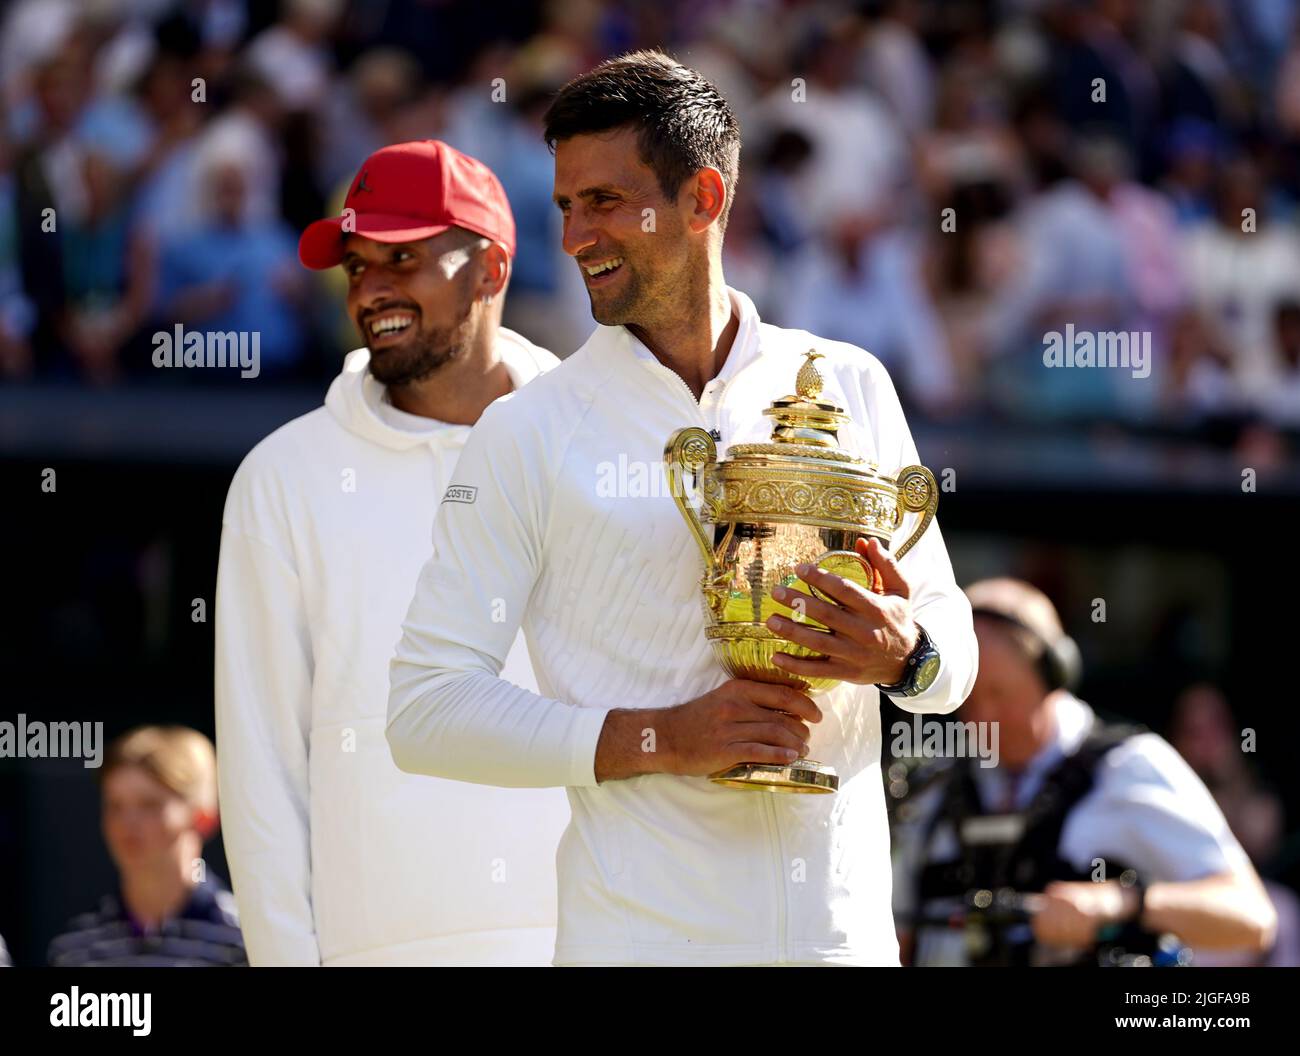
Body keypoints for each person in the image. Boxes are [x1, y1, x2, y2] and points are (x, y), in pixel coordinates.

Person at [388, 51, 978, 967]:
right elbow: (424, 709)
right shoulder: (527, 432)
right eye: (566, 207)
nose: (577, 235)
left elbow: (953, 657)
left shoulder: (854, 383)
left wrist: (905, 653)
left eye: (606, 202)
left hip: (842, 941)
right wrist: (662, 738)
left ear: (703, 198)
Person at [216, 140, 569, 966]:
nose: (371, 290)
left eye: (402, 259)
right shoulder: (281, 478)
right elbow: (261, 768)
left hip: (596, 942)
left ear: (491, 270)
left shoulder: (596, 444)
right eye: (356, 265)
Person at [890, 578, 1277, 966]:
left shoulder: (1129, 766)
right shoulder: (932, 789)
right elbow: (896, 938)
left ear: (1055, 673)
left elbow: (1251, 917)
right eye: (966, 697)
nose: (981, 717)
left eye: (999, 693)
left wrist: (1122, 901)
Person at [48, 726, 246, 967]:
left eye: (150, 805)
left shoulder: (244, 940)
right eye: (116, 806)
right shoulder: (74, 947)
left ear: (204, 817)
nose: (127, 823)